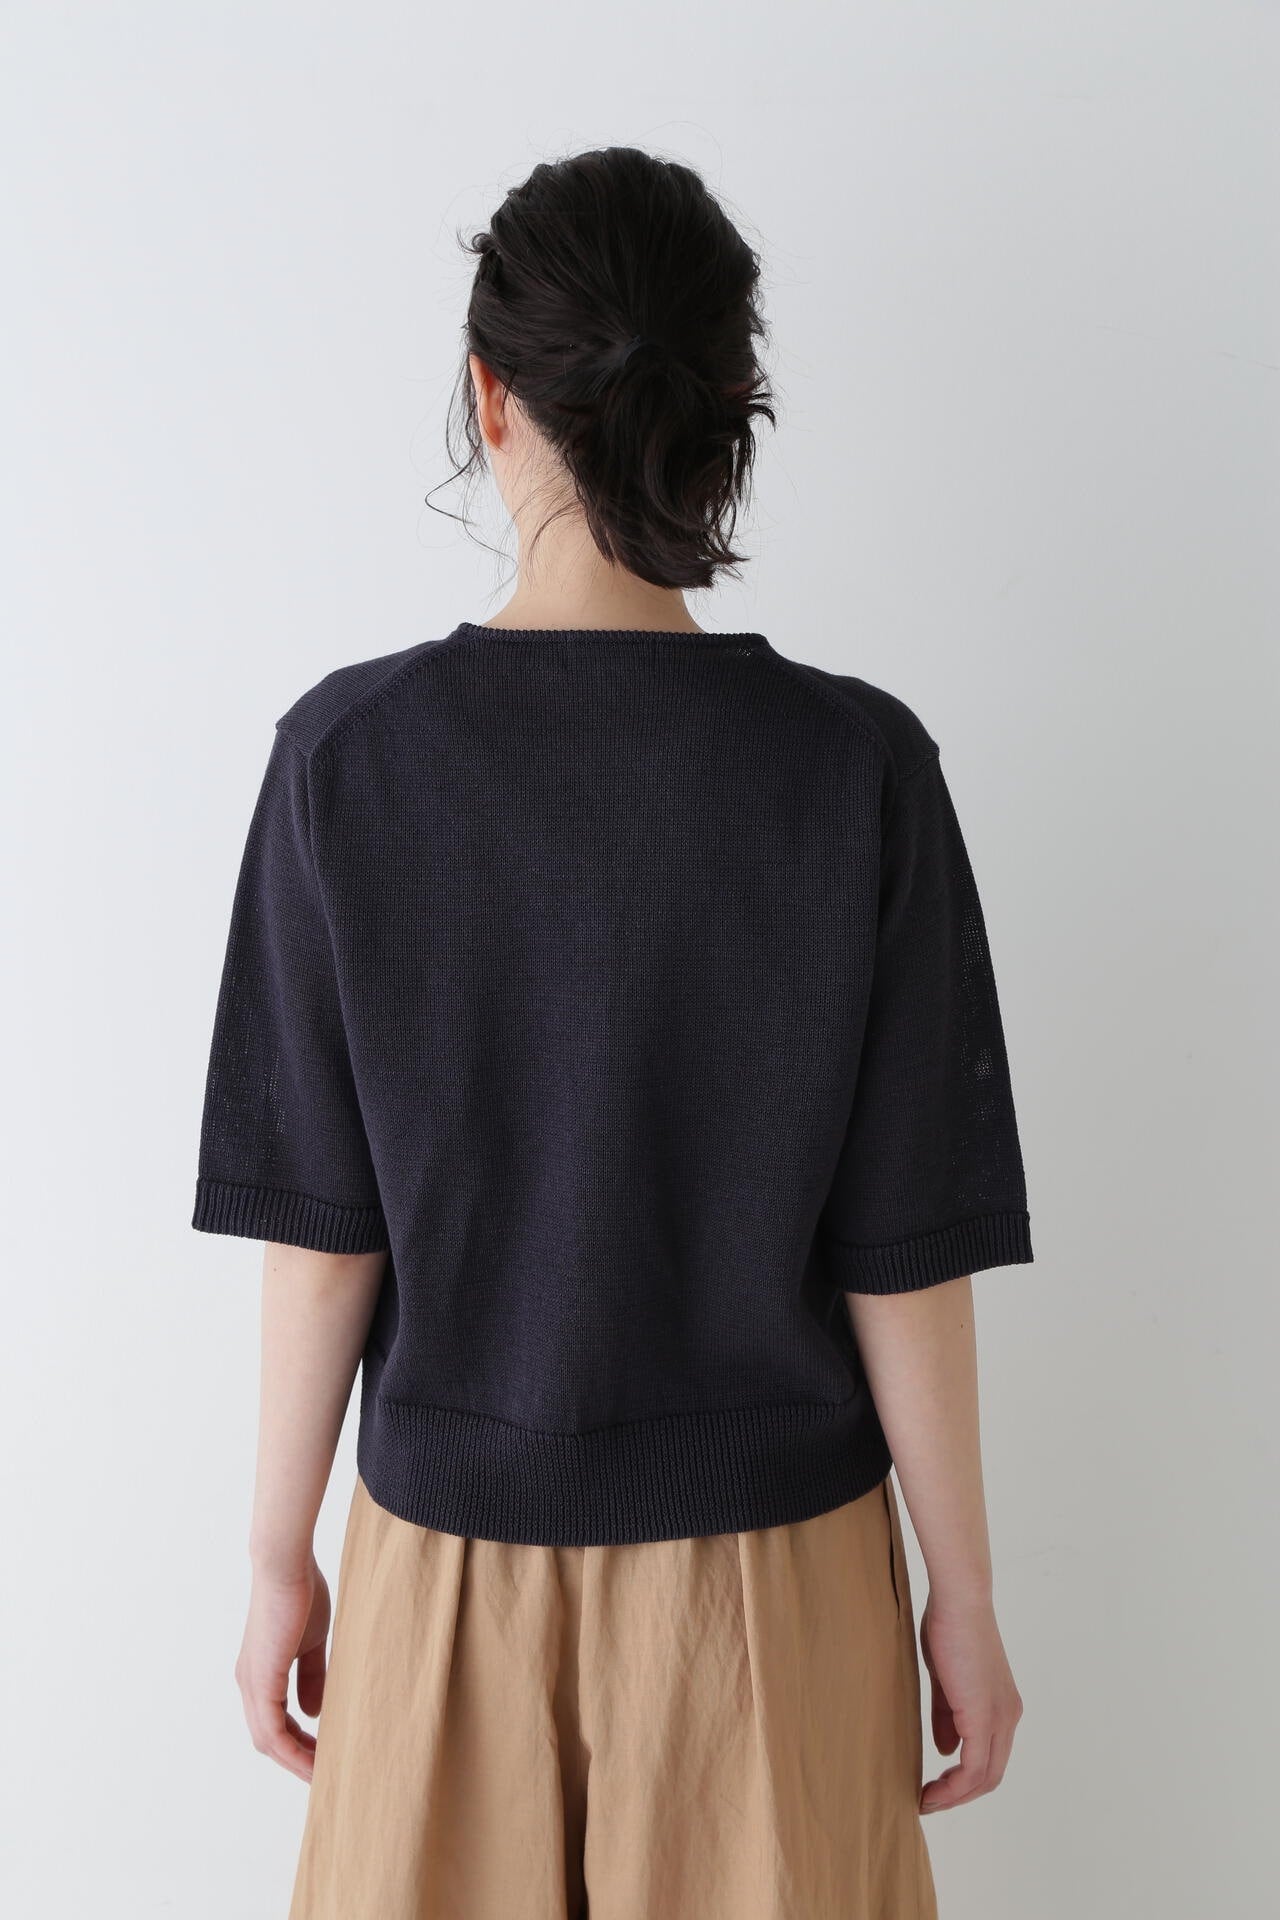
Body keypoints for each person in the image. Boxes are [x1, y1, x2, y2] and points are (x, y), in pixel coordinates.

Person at [191, 144, 1033, 1920]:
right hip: (777, 1590)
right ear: (728, 414)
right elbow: (906, 1252)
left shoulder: (347, 764)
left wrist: (277, 1559)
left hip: (443, 1572)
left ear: (489, 397)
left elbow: (325, 1241)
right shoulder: (857, 773)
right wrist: (962, 1593)